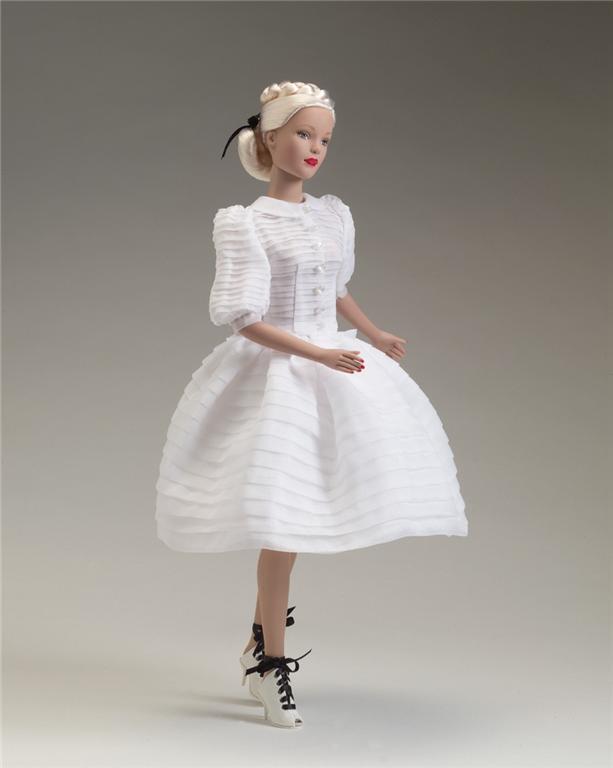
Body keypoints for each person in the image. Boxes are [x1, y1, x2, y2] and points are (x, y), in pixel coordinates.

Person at [155, 80, 468, 728]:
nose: (315, 148)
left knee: (295, 523)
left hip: (332, 365)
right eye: (303, 134)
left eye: (324, 138)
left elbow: (336, 287)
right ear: (270, 138)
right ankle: (269, 664)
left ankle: (257, 650)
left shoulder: (332, 215)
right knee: (280, 525)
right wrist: (317, 353)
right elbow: (244, 318)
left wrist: (373, 332)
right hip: (277, 380)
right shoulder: (246, 223)